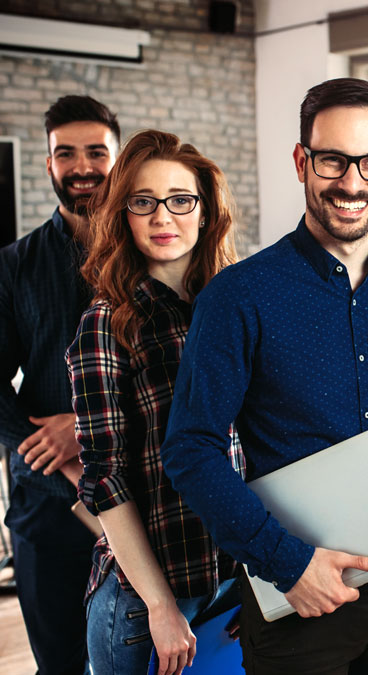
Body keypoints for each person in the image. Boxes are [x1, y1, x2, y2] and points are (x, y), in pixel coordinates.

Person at [159, 77, 368, 674]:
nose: (353, 182)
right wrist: (289, 563)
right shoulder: (238, 297)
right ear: (302, 161)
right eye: (333, 160)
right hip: (295, 599)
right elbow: (190, 449)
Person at [66, 129, 243, 675]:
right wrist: (161, 606)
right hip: (148, 602)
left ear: (205, 212)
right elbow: (105, 479)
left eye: (180, 200)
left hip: (236, 580)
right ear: (124, 214)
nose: (163, 217)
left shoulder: (232, 308)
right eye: (144, 202)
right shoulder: (107, 322)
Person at [0, 95, 118, 675]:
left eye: (96, 151)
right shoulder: (12, 266)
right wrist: (54, 452)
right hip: (46, 505)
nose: (82, 166)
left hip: (144, 492)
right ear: (48, 165)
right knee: (62, 666)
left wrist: (87, 428)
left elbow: (176, 373)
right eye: (65, 153)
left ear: (118, 160)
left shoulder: (155, 253)